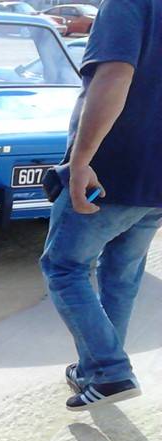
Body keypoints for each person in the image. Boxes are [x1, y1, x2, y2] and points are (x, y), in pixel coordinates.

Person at [40, 0, 162, 411]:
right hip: (156, 182)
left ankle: (110, 371)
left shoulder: (129, 4)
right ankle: (99, 369)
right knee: (122, 274)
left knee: (64, 266)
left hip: (114, 170)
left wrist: (80, 161)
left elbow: (114, 75)